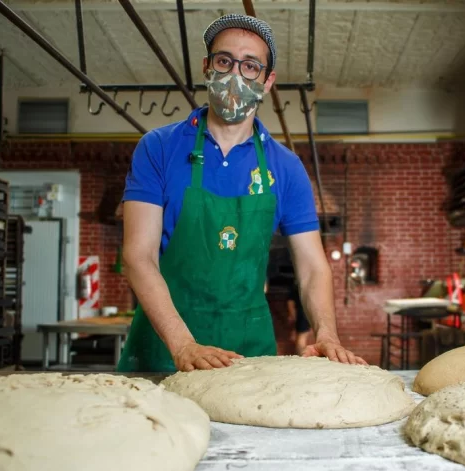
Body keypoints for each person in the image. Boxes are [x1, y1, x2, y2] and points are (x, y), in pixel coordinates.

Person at [116, 13, 366, 372]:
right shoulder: (158, 147)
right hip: (163, 350)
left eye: (250, 66)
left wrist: (326, 333)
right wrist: (183, 345)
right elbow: (138, 256)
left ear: (267, 82)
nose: (235, 75)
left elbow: (312, 267)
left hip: (248, 354)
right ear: (207, 67)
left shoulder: (286, 167)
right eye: (224, 61)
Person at [287, 280, 312, 355]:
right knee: (301, 338)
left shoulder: (298, 286)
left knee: (301, 337)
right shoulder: (300, 287)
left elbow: (290, 301)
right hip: (303, 314)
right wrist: (292, 314)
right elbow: (290, 301)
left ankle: (300, 356)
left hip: (303, 314)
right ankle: (301, 357)